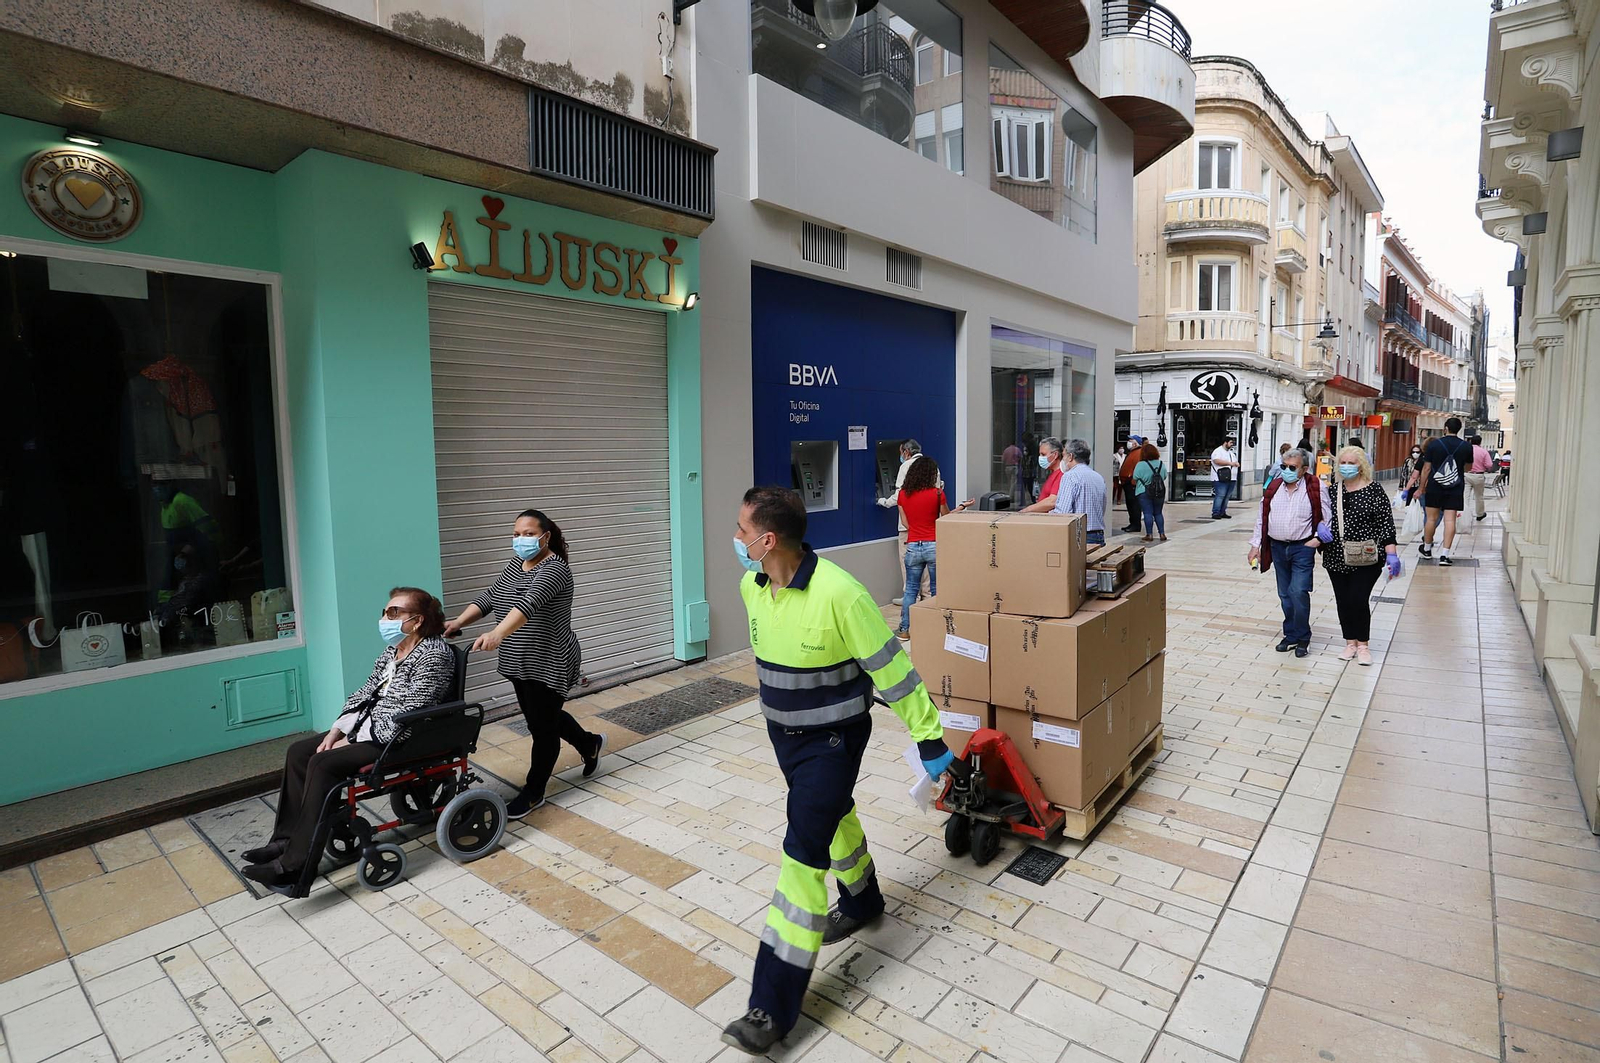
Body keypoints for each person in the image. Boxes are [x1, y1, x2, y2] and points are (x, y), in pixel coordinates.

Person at [722, 487, 953, 1054]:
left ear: (767, 539)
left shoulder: (841, 595)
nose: (736, 539)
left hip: (833, 740)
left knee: (802, 853)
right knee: (835, 813)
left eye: (741, 529)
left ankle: (770, 1007)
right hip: (785, 737)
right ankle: (863, 898)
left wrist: (930, 740)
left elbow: (893, 672)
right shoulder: (752, 586)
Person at [241, 587, 455, 887]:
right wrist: (338, 729)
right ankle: (284, 841)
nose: (385, 618)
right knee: (299, 752)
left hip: (399, 738)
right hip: (371, 731)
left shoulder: (435, 656)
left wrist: (353, 739)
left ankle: (294, 866)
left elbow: (409, 711)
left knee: (322, 763)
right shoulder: (394, 651)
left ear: (417, 620)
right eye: (384, 611)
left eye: (394, 612)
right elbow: (365, 692)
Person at [444, 509, 597, 816]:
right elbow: (492, 596)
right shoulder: (519, 563)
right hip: (519, 659)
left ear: (545, 536)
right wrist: (458, 621)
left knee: (542, 729)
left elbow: (529, 603)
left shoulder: (555, 569)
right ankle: (589, 743)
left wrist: (498, 632)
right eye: (516, 534)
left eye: (528, 534)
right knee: (541, 718)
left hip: (549, 660)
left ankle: (533, 791)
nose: (521, 540)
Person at [1248, 449, 1331, 658]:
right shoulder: (1274, 486)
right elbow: (1262, 516)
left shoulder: (1315, 486)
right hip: (1277, 547)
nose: (1286, 471)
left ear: (1304, 469)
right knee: (1285, 594)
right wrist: (1255, 545)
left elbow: (1326, 516)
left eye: (1291, 467)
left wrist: (1317, 540)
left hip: (1302, 548)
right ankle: (1291, 635)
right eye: (1283, 466)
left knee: (1298, 591)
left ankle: (1303, 636)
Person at [1324, 446, 1402, 667]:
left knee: (1358, 599)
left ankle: (1363, 645)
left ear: (1361, 465)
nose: (1346, 467)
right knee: (1343, 600)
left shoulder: (1374, 490)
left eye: (1351, 463)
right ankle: (1350, 642)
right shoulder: (1333, 491)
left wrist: (1391, 554)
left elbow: (1386, 524)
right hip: (1336, 555)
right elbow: (1322, 516)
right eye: (1343, 463)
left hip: (1367, 556)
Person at [895, 457, 971, 638]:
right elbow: (945, 518)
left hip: (913, 545)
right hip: (934, 545)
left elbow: (906, 524)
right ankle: (938, 628)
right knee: (937, 590)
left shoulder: (902, 495)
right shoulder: (937, 494)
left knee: (911, 590)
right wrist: (961, 507)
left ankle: (904, 630)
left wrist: (917, 531)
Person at [1406, 416, 1471, 566]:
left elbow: (1426, 468)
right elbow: (1468, 468)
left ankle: (1427, 549)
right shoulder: (1466, 446)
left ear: (1445, 428)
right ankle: (1445, 555)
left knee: (1431, 519)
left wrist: (1422, 488)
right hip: (1455, 487)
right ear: (1459, 429)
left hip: (1435, 487)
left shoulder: (1434, 445)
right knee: (1450, 520)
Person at [878, 440, 935, 599]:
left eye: (901, 453)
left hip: (908, 524)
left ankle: (912, 595)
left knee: (908, 561)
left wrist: (883, 501)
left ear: (906, 452)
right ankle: (927, 595)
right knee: (926, 562)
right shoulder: (932, 467)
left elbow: (899, 495)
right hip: (928, 524)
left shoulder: (906, 466)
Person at [1049, 439, 1108, 545]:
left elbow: (1063, 512)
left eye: (1064, 455)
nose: (1063, 460)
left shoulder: (1070, 476)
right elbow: (1102, 508)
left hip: (1080, 537)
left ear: (1070, 456)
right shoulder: (1098, 477)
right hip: (1099, 535)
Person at [1132, 441, 1167, 542]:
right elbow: (1164, 476)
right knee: (1158, 513)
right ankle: (1162, 533)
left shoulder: (1140, 464)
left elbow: (1135, 477)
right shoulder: (1161, 464)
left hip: (1143, 491)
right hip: (1159, 491)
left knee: (1148, 513)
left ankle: (1149, 534)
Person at [1020, 436, 1065, 513]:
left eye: (1043, 454)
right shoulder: (1052, 474)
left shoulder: (1061, 474)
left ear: (1055, 455)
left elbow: (1052, 501)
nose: (1040, 458)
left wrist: (1027, 510)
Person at [1118, 435, 1145, 533]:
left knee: (1134, 505)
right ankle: (1133, 523)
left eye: (1130, 440)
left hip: (1131, 483)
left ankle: (1135, 525)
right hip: (1128, 482)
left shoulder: (1138, 453)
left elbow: (1138, 468)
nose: (1128, 442)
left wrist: (1133, 480)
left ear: (1135, 443)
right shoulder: (1133, 452)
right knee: (1130, 504)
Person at [1465, 434, 1494, 522]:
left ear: (1470, 441)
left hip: (1466, 474)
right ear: (1480, 442)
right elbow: (1489, 465)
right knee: (1479, 496)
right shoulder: (1483, 452)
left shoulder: (1466, 450)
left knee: (1465, 496)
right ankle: (1480, 514)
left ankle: (1464, 513)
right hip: (1478, 475)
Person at [1210, 436, 1238, 519]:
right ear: (1225, 442)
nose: (1232, 444)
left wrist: (1236, 464)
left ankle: (1222, 512)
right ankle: (1216, 512)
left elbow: (1234, 462)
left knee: (1227, 496)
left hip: (1231, 477)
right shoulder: (1218, 451)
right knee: (1220, 495)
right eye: (1230, 442)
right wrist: (1230, 463)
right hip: (1220, 477)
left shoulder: (1231, 453)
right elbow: (1216, 461)